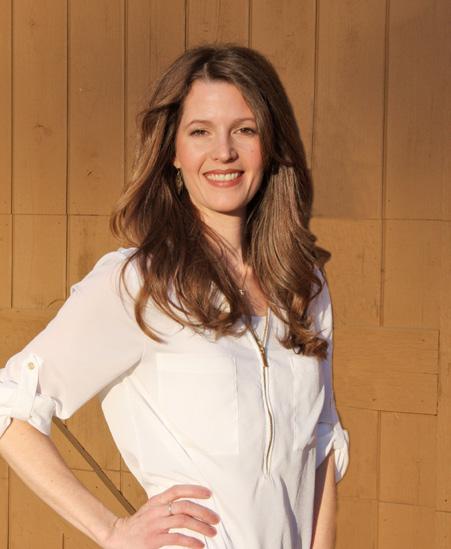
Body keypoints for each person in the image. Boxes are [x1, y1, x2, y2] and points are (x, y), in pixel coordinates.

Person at [0, 43, 349, 549]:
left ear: (271, 144)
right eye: (200, 132)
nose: (223, 152)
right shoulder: (139, 284)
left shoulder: (302, 284)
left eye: (245, 130)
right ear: (174, 152)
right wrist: (111, 530)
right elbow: (11, 403)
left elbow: (322, 441)